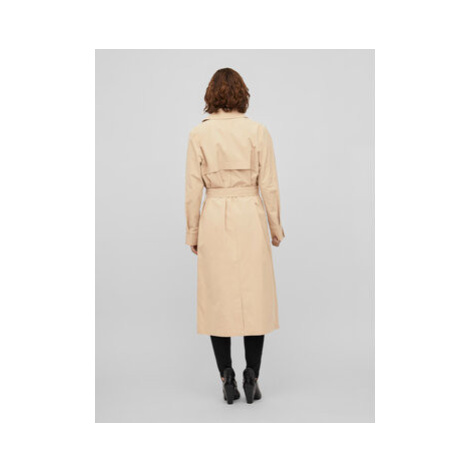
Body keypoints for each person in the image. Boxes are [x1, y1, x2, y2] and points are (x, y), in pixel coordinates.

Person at [185, 68, 285, 404]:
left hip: (214, 215)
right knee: (255, 296)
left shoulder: (199, 134)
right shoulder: (258, 131)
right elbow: (269, 184)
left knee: (217, 298)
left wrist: (193, 230)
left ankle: (225, 375)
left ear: (210, 95)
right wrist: (275, 226)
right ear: (243, 94)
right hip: (250, 215)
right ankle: (251, 375)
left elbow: (192, 189)